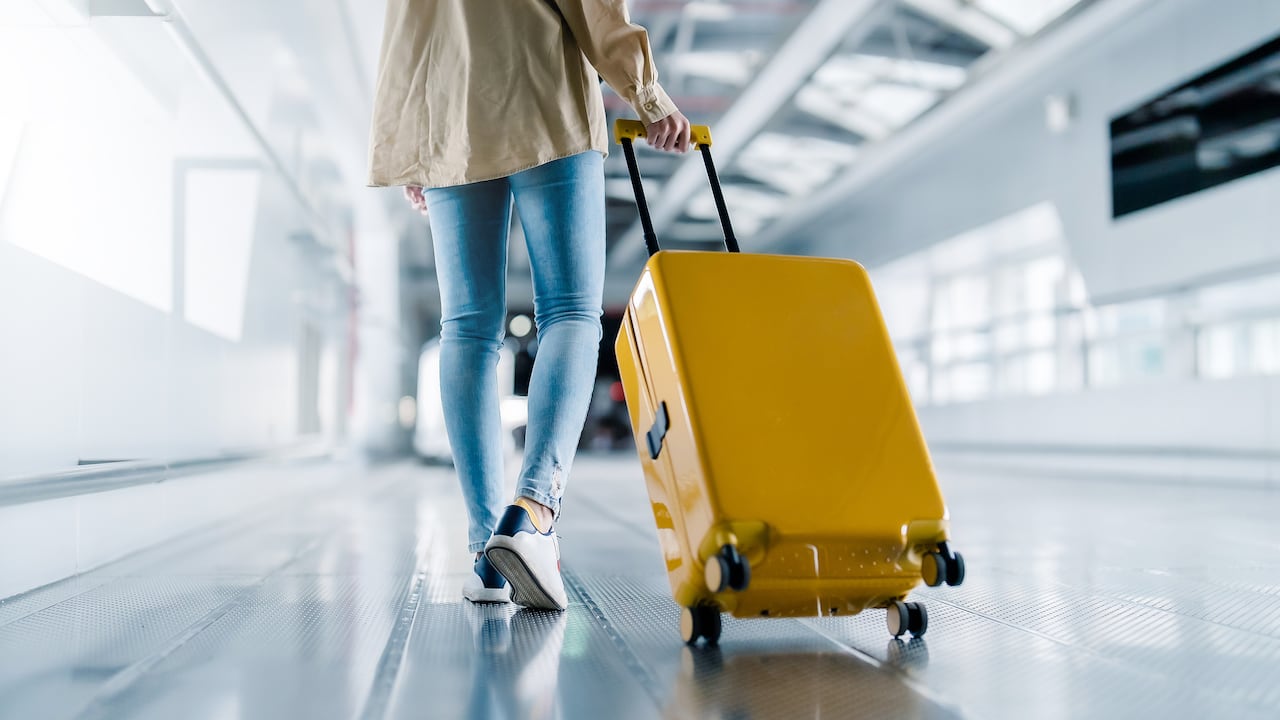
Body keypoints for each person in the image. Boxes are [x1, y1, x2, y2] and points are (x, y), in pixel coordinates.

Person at [367, 0, 690, 610]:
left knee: (465, 328)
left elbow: (406, 27)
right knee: (570, 313)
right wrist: (649, 97)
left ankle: (488, 552)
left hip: (448, 115)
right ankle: (535, 512)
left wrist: (410, 143)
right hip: (547, 101)